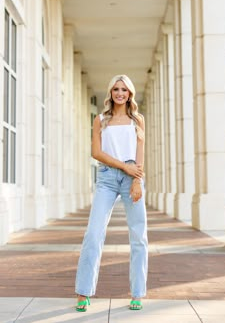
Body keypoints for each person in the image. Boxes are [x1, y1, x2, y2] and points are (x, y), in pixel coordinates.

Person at [75, 74, 148, 312]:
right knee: (94, 233)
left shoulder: (138, 119)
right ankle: (84, 292)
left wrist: (136, 180)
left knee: (138, 236)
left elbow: (140, 153)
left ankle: (137, 293)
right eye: (116, 89)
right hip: (107, 178)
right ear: (110, 93)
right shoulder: (101, 120)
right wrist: (123, 166)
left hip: (132, 178)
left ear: (130, 94)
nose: (119, 93)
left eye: (124, 90)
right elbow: (96, 152)